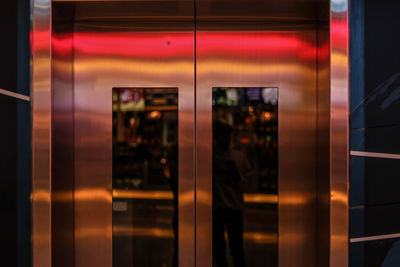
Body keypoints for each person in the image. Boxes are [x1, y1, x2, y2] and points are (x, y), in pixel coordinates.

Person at [212, 120, 254, 267]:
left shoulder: (237, 158)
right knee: (223, 249)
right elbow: (247, 185)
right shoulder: (213, 157)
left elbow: (246, 185)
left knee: (234, 249)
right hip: (223, 208)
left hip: (228, 208)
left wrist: (237, 176)